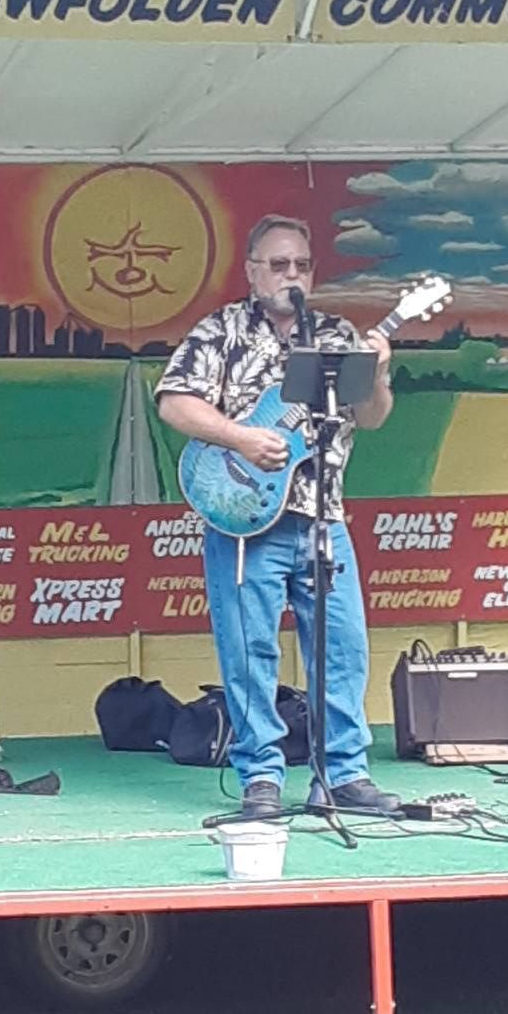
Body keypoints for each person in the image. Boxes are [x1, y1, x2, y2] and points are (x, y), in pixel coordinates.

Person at [155, 214, 400, 819]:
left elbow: (372, 419)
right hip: (244, 516)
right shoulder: (222, 330)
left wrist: (382, 369)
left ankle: (343, 775)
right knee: (249, 652)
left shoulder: (339, 335)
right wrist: (239, 438)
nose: (291, 276)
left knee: (342, 650)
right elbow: (174, 402)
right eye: (278, 264)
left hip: (324, 518)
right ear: (252, 270)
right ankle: (261, 776)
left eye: (301, 265)